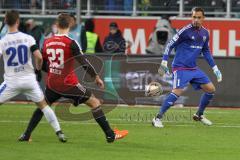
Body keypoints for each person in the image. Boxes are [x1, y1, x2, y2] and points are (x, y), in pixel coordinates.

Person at [18, 13, 128, 143]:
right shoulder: (71, 43)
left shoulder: (47, 42)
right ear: (70, 25)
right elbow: (84, 63)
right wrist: (96, 77)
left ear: (57, 25)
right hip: (68, 84)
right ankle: (110, 135)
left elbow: (41, 61)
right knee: (95, 103)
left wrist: (47, 71)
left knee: (43, 107)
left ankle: (26, 135)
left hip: (52, 83)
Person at [0, 10, 66, 142]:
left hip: (12, 81)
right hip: (29, 80)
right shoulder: (28, 38)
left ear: (5, 22)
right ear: (18, 21)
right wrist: (37, 69)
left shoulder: (3, 41)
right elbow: (39, 57)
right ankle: (59, 132)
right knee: (44, 106)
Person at [152, 7, 222, 128]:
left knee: (211, 89)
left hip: (193, 68)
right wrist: (164, 62)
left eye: (199, 17)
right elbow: (169, 45)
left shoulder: (205, 33)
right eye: (194, 17)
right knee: (177, 92)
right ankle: (157, 118)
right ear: (191, 17)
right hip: (180, 67)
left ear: (203, 18)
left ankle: (199, 114)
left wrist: (215, 68)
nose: (196, 20)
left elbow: (206, 51)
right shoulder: (185, 31)